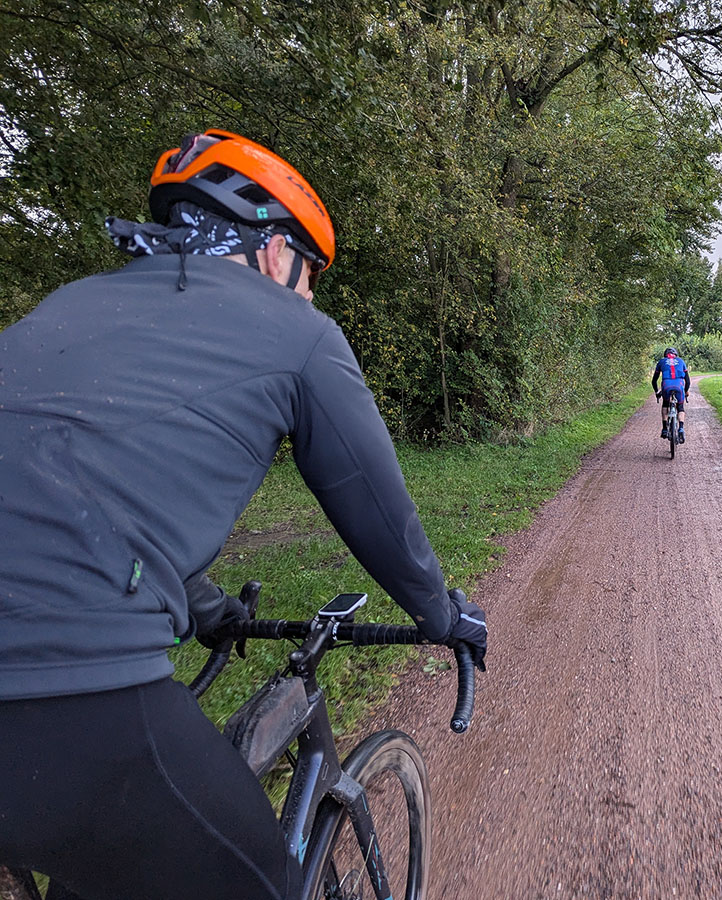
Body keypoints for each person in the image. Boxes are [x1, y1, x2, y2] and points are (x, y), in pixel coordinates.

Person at [0, 129, 487, 900]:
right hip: (61, 690)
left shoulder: (70, 303)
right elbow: (374, 502)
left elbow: (58, 489)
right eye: (311, 273)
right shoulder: (297, 333)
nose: (311, 295)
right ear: (271, 252)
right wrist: (441, 614)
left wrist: (199, 604)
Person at [651, 346, 691, 443]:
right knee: (680, 407)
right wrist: (686, 391)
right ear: (676, 355)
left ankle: (665, 429)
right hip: (679, 385)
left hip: (666, 385)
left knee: (665, 404)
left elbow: (654, 381)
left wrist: (657, 392)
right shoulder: (681, 361)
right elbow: (688, 381)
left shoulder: (661, 362)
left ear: (665, 355)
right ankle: (681, 428)